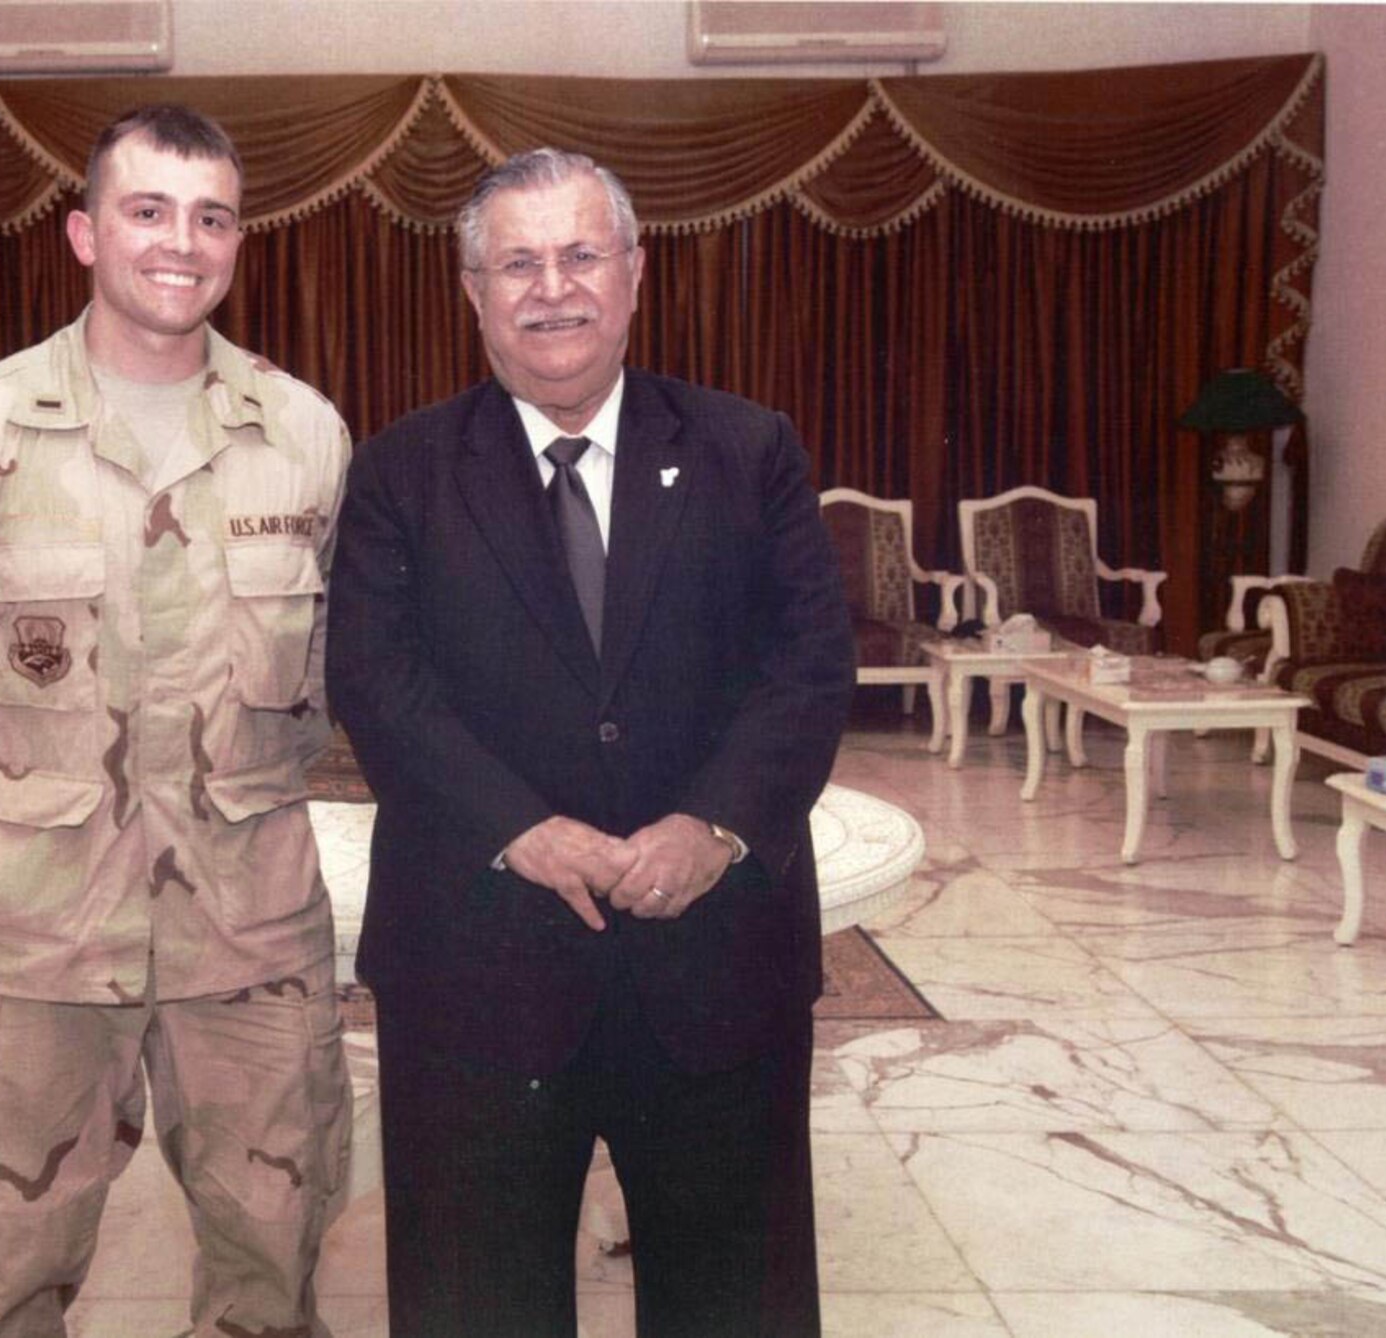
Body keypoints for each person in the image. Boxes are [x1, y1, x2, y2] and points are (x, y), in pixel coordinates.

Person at [326, 147, 856, 1337]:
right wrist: (518, 830)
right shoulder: (401, 470)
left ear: (632, 273)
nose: (550, 287)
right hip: (475, 975)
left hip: (716, 969)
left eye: (578, 255)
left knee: (736, 1304)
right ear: (470, 291)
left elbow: (808, 666)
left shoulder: (747, 449)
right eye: (515, 262)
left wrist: (716, 824)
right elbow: (376, 681)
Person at [0, 104, 352, 1338]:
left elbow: (338, 677)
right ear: (83, 232)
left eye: (210, 216)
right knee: (4, 1271)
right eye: (146, 210)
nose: (179, 243)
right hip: (39, 942)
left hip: (247, 937)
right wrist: (39, 802)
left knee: (271, 1270)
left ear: (239, 240)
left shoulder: (303, 436)